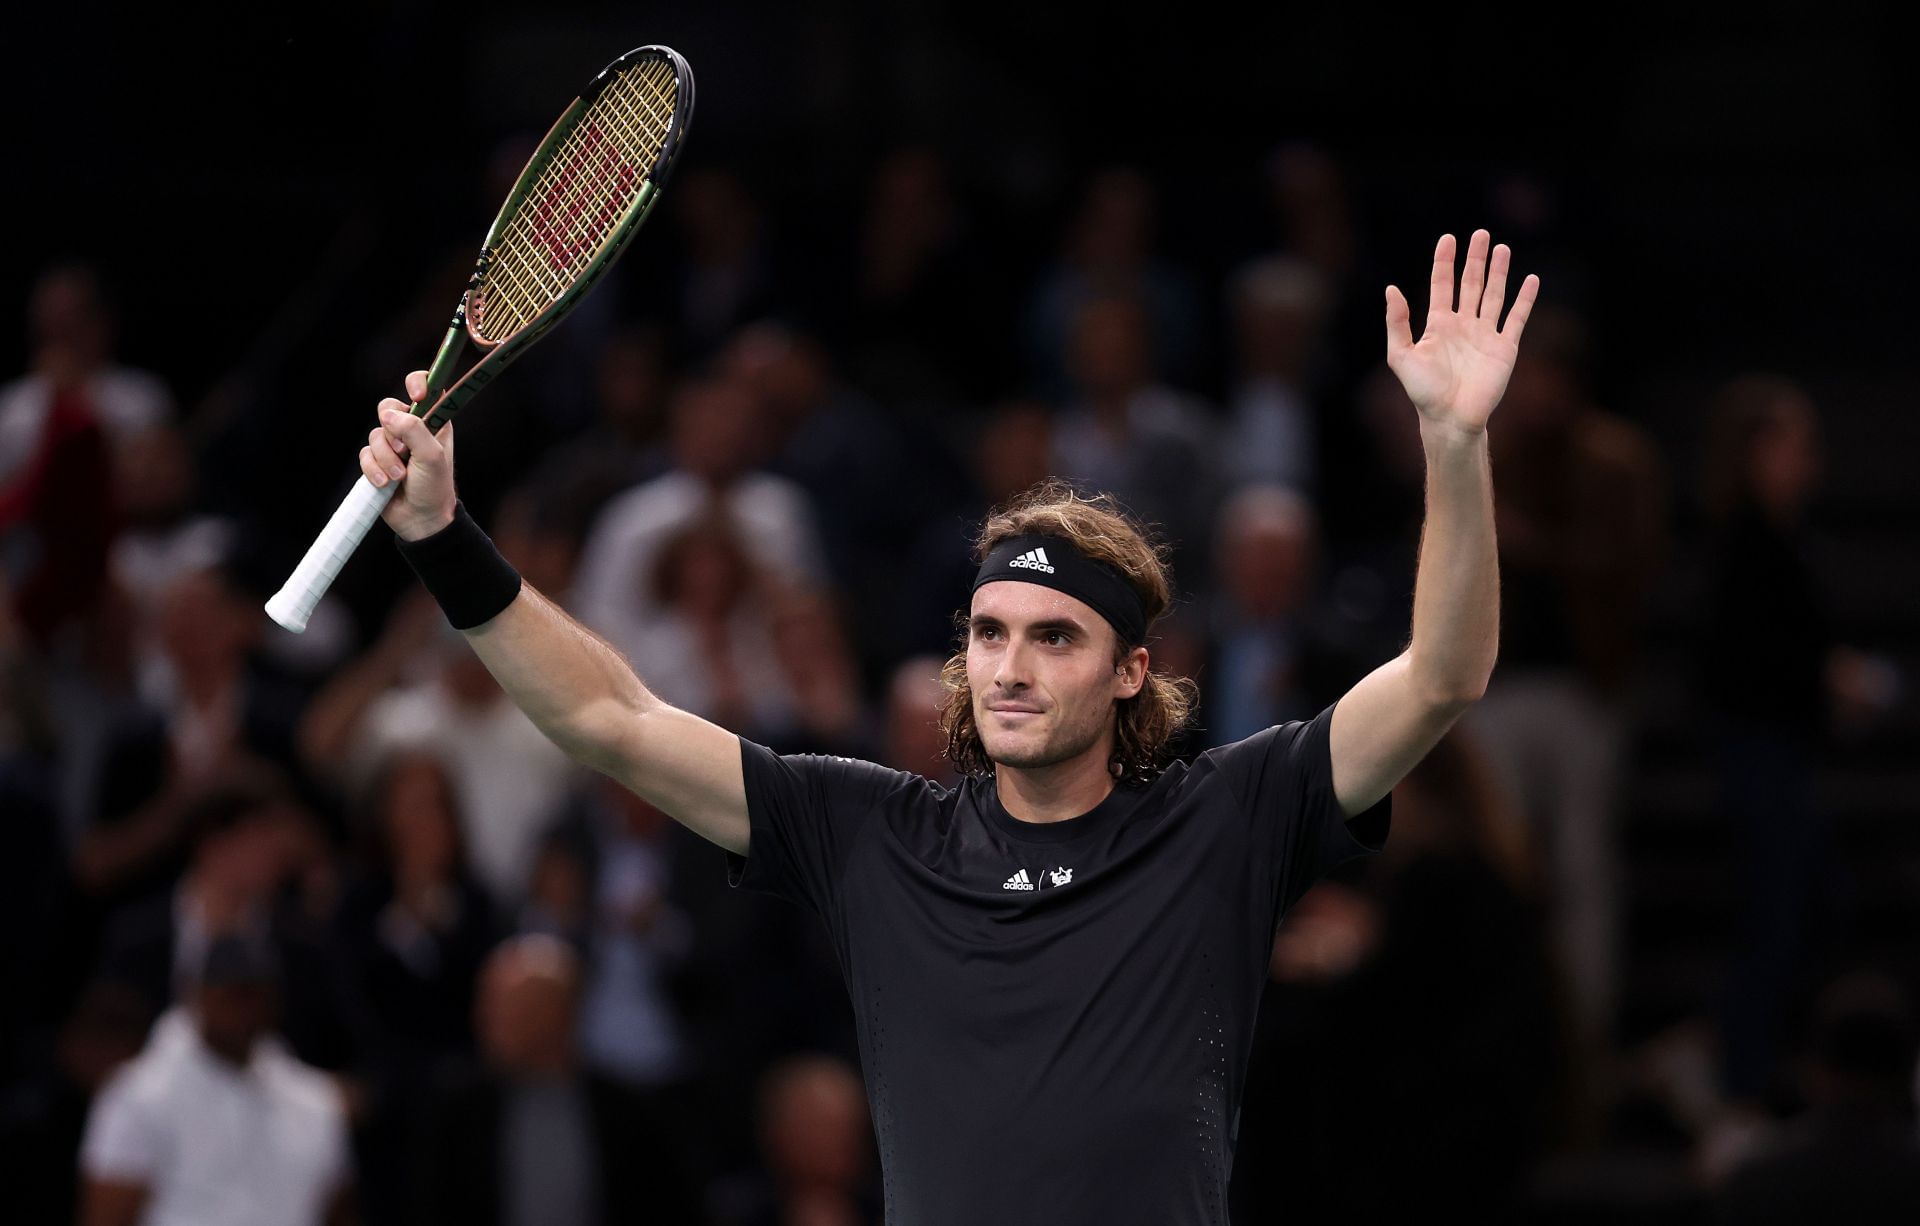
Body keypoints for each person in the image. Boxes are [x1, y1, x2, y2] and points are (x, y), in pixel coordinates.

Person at [348, 229, 1538, 1223]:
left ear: (1132, 671)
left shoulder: (1230, 813)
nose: (1009, 667)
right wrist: (448, 538)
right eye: (987, 632)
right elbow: (610, 716)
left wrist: (1453, 440)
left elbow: (1443, 675)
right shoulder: (869, 829)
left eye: (1054, 637)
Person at [78, 935, 355, 1226]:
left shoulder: (314, 1101)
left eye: (255, 993)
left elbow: (338, 1207)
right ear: (199, 994)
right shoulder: (138, 1093)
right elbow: (108, 1213)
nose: (244, 1010)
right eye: (231, 995)